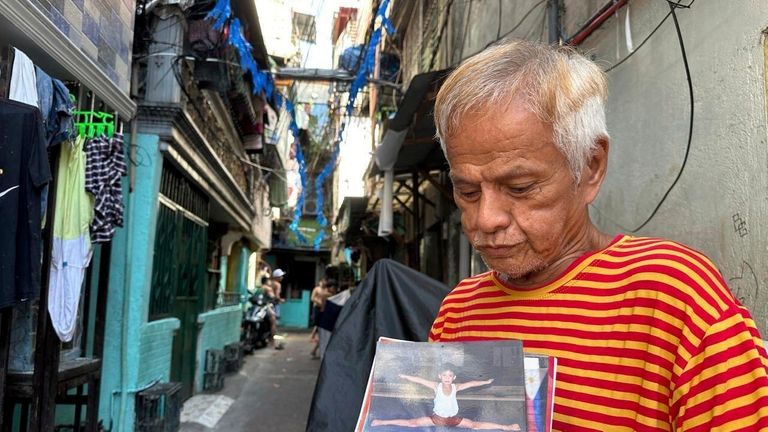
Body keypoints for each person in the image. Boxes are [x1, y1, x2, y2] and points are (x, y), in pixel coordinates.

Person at [427, 40, 768, 431]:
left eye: (520, 187)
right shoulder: (458, 313)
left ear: (590, 166)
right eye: (467, 191)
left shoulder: (675, 295)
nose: (485, 219)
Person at [370, 367, 520, 431]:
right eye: (444, 375)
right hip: (437, 419)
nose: (447, 378)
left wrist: (486, 382)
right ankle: (382, 421)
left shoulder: (456, 387)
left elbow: (472, 383)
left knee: (475, 425)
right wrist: (404, 376)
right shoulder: (436, 385)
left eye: (450, 376)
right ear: (439, 376)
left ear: (453, 378)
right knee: (412, 423)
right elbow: (419, 380)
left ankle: (506, 427)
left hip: (454, 419)